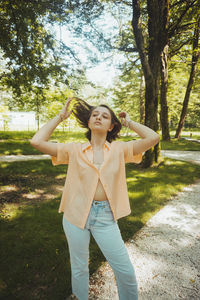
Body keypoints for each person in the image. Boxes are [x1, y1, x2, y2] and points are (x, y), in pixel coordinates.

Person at [30, 97, 160, 300]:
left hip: (106, 217)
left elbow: (153, 138)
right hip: (75, 216)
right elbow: (36, 142)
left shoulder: (119, 149)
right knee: (80, 268)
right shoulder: (74, 149)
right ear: (89, 122)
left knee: (124, 270)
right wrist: (60, 117)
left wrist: (129, 123)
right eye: (95, 114)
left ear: (111, 126)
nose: (98, 117)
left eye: (105, 116)